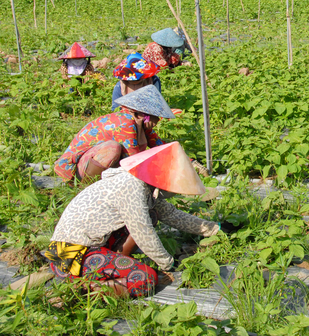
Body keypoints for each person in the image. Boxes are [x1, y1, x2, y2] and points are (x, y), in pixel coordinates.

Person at [45, 142, 221, 297]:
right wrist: (168, 265)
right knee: (145, 279)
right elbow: (142, 230)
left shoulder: (144, 187)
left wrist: (214, 229)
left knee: (153, 214)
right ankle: (82, 288)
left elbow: (174, 216)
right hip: (73, 253)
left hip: (90, 246)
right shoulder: (131, 186)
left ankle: (116, 261)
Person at [54, 85, 174, 183]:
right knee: (112, 148)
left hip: (91, 163)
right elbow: (133, 160)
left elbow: (160, 146)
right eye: (156, 116)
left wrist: (187, 162)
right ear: (145, 115)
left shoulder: (141, 124)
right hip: (74, 168)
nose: (158, 121)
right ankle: (85, 186)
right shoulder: (125, 122)